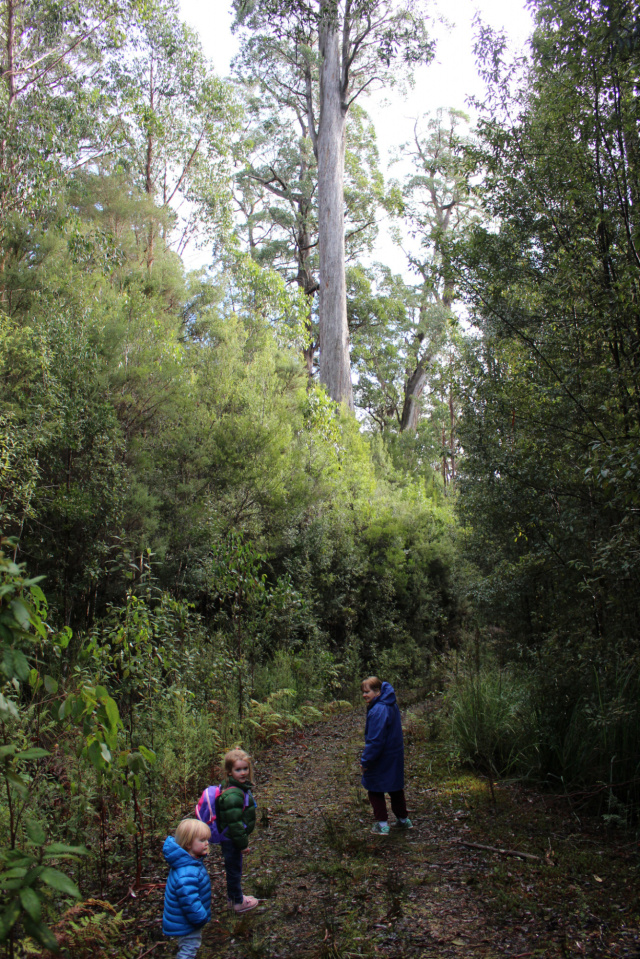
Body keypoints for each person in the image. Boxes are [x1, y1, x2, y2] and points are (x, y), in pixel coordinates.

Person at [360, 676, 413, 835]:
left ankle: (382, 825)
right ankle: (403, 820)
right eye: (363, 692)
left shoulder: (378, 709)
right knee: (395, 787)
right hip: (394, 755)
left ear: (377, 691)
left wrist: (366, 760)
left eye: (367, 692)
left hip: (381, 757)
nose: (364, 695)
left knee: (374, 788)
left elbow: (375, 740)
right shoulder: (390, 704)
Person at [217, 748, 259, 914]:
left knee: (234, 868)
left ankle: (234, 897)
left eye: (245, 769)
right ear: (229, 772)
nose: (243, 773)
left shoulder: (237, 788)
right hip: (231, 839)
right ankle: (237, 902)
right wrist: (242, 844)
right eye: (238, 769)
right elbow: (234, 823)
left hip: (231, 837)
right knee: (234, 870)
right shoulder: (234, 794)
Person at [162, 818, 211, 958]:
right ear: (188, 844)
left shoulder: (190, 862)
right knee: (189, 949)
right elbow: (189, 900)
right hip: (187, 921)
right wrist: (201, 917)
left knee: (190, 946)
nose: (206, 843)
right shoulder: (187, 872)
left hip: (185, 919)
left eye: (207, 839)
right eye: (202, 840)